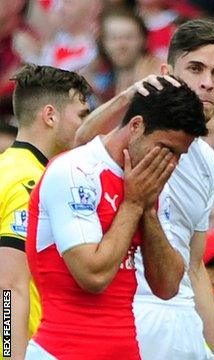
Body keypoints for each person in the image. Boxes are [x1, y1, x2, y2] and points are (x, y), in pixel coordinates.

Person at [74, 19, 214, 359]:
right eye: (195, 68)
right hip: (127, 313)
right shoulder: (132, 134)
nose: (207, 83)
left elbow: (194, 267)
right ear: (165, 72)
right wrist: (128, 96)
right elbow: (77, 146)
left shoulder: (207, 159)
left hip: (183, 320)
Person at [25, 77, 206, 359]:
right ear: (136, 126)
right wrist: (133, 205)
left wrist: (147, 211)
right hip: (63, 351)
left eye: (179, 155)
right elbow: (92, 275)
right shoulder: (75, 171)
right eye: (166, 149)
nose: (170, 163)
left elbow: (168, 286)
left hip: (126, 350)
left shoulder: (148, 181)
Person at [0, 64, 91, 359]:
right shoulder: (29, 183)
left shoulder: (9, 168)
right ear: (50, 115)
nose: (87, 128)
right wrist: (12, 354)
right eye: (82, 116)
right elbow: (9, 287)